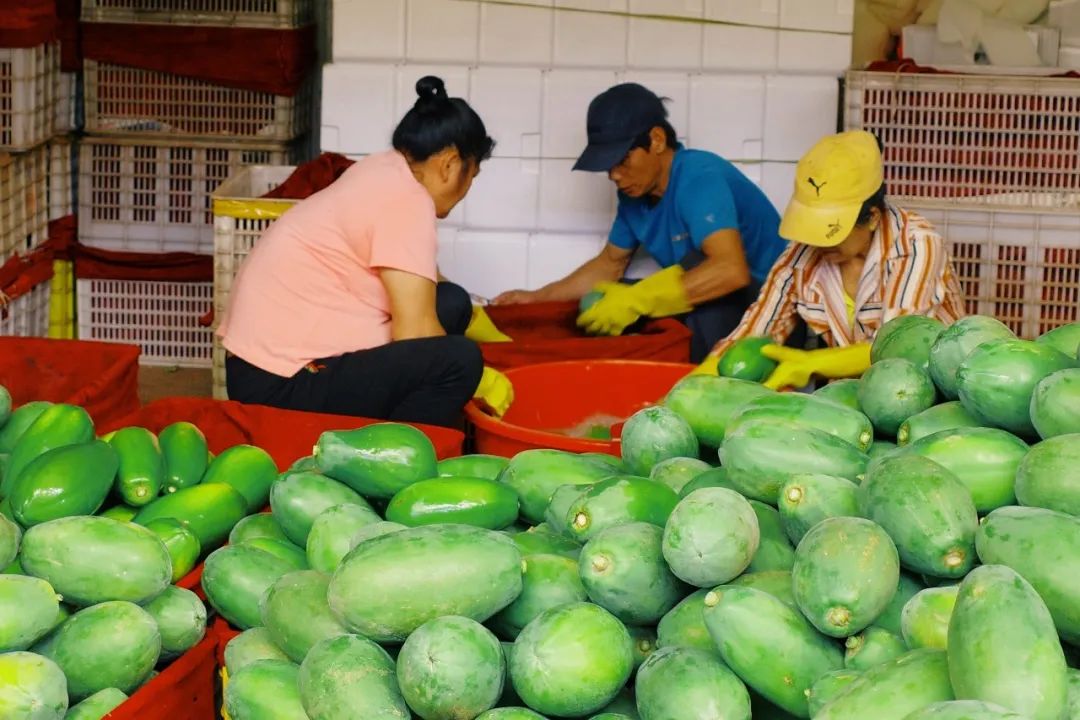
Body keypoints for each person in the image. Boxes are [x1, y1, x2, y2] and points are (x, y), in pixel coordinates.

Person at [217, 76, 513, 428]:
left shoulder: (385, 169)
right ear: (450, 165)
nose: (467, 189)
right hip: (281, 382)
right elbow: (415, 333)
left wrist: (473, 315)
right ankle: (397, 455)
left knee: (451, 302)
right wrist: (477, 380)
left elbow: (417, 274)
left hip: (259, 366)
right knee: (460, 361)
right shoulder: (406, 201)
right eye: (472, 175)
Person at [492, 83, 790, 362]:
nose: (614, 175)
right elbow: (609, 264)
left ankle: (704, 391)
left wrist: (638, 301)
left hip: (770, 311)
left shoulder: (699, 177)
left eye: (622, 160)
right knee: (604, 297)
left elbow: (730, 271)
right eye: (608, 166)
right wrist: (536, 297)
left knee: (690, 272)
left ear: (656, 140)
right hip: (720, 302)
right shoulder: (634, 196)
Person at [694, 130, 966, 388]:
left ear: (871, 218)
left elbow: (900, 347)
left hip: (927, 389)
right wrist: (690, 387)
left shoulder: (916, 245)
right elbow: (754, 331)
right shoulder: (801, 257)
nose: (817, 243)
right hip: (854, 394)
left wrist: (812, 363)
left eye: (831, 232)